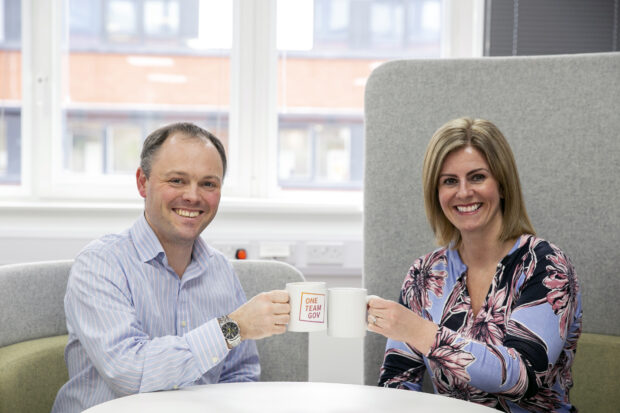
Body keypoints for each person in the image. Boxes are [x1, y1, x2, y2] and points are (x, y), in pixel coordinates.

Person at [52, 122, 291, 413]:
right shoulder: (100, 265)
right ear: (143, 182)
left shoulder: (220, 271)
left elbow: (240, 374)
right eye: (177, 180)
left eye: (208, 184)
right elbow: (131, 374)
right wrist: (233, 327)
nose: (193, 196)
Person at [367, 117, 582, 412]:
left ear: (503, 185)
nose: (464, 192)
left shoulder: (545, 266)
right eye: (450, 181)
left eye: (477, 177)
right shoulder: (425, 274)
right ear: (436, 193)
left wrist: (417, 330)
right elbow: (397, 381)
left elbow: (524, 377)